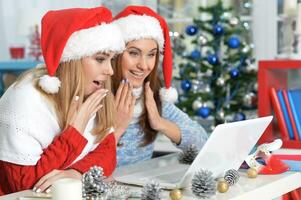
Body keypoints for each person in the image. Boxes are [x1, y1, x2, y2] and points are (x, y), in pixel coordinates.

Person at [0, 6, 124, 195]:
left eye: (111, 60)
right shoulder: (25, 99)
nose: (110, 71)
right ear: (72, 60)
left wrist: (76, 173)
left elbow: (108, 152)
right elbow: (24, 187)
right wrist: (74, 132)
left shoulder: (94, 92)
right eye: (100, 59)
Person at [112, 6, 208, 167]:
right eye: (134, 53)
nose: (144, 65)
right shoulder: (94, 97)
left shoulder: (152, 99)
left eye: (151, 54)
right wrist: (117, 129)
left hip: (141, 190)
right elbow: (80, 168)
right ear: (115, 55)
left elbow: (203, 143)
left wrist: (159, 122)